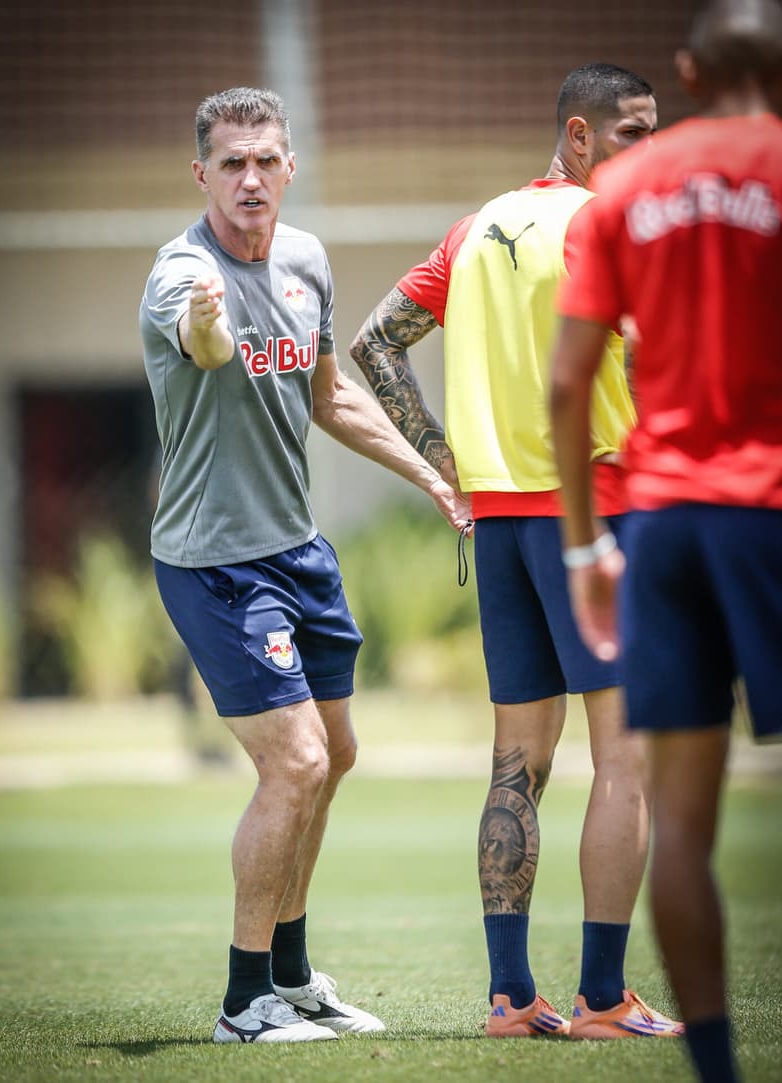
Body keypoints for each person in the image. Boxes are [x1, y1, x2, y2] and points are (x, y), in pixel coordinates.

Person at [350, 63, 683, 1040]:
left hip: (498, 526)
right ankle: (603, 998)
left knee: (516, 764)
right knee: (625, 757)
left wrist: (442, 456)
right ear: (578, 134)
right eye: (632, 133)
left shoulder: (475, 230)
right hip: (597, 514)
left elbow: (375, 343)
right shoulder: (611, 226)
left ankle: (509, 997)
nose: (648, 152)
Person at [139, 86, 471, 1045]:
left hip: (298, 549)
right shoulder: (180, 274)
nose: (250, 178)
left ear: (289, 167)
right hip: (216, 563)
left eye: (265, 160)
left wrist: (432, 474)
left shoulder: (306, 260)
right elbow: (205, 346)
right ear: (201, 173)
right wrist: (210, 319)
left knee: (337, 754)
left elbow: (331, 396)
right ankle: (244, 1002)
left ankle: (290, 976)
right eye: (231, 163)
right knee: (296, 762)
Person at [549, 4, 782, 1080]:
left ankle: (719, 1071)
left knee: (680, 824)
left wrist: (586, 551)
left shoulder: (625, 191)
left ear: (687, 74)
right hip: (769, 512)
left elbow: (568, 386)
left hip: (667, 523)